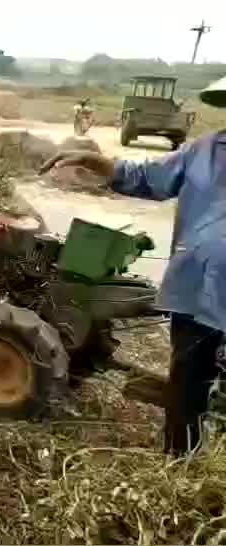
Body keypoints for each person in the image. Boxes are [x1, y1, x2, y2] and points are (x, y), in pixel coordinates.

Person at [39, 76, 226, 456]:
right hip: (195, 293)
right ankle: (181, 468)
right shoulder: (205, 150)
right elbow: (149, 178)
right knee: (187, 390)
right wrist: (99, 163)